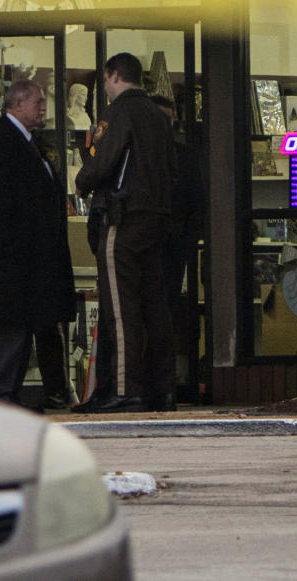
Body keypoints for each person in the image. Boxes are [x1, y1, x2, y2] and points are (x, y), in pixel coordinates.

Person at [75, 52, 176, 413]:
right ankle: (162, 388)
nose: (104, 86)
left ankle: (124, 388)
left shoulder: (118, 112)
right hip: (157, 219)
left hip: (125, 218)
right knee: (154, 305)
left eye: (105, 80)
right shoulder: (158, 116)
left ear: (114, 75)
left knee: (121, 307)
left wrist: (81, 180)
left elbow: (100, 162)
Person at [0, 79, 76, 403]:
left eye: (43, 100)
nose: (43, 106)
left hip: (28, 275)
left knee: (17, 350)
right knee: (5, 353)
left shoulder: (30, 143)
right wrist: (20, 252)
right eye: (37, 101)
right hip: (9, 275)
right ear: (16, 104)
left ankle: (8, 407)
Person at [151, 93, 205, 387]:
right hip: (142, 248)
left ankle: (164, 383)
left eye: (169, 121)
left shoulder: (185, 158)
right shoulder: (134, 154)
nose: (166, 126)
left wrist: (185, 244)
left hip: (172, 251)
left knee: (167, 315)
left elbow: (197, 205)